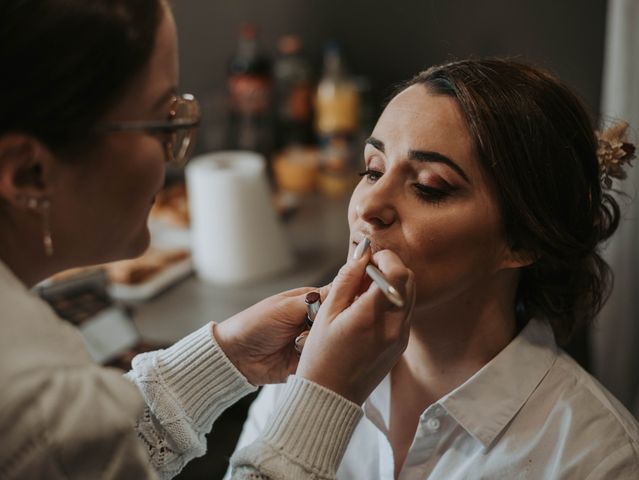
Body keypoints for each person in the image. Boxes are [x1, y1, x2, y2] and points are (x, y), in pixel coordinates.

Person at [0, 1, 415, 479]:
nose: (366, 207)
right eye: (163, 124)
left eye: (430, 187)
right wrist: (325, 398)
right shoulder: (36, 396)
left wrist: (226, 356)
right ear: (29, 173)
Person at [228, 58, 639, 479]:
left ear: (522, 241)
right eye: (372, 170)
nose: (367, 207)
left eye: (428, 187)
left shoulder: (598, 459)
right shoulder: (307, 371)